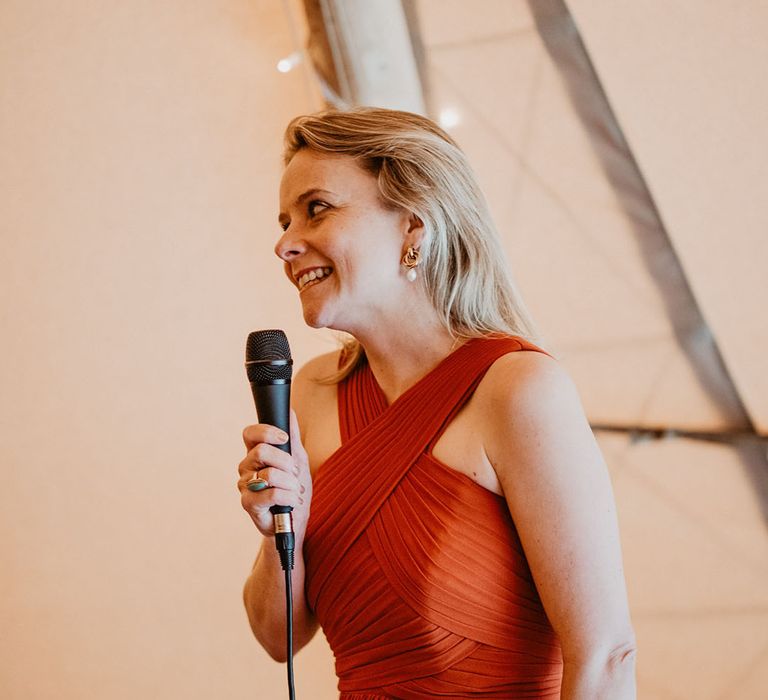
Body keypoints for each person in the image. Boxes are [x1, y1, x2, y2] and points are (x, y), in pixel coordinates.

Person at [237, 107, 636, 699]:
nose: (285, 244)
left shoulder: (518, 390)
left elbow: (604, 655)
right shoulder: (312, 397)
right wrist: (277, 532)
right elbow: (278, 639)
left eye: (316, 209)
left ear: (413, 227)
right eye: (284, 221)